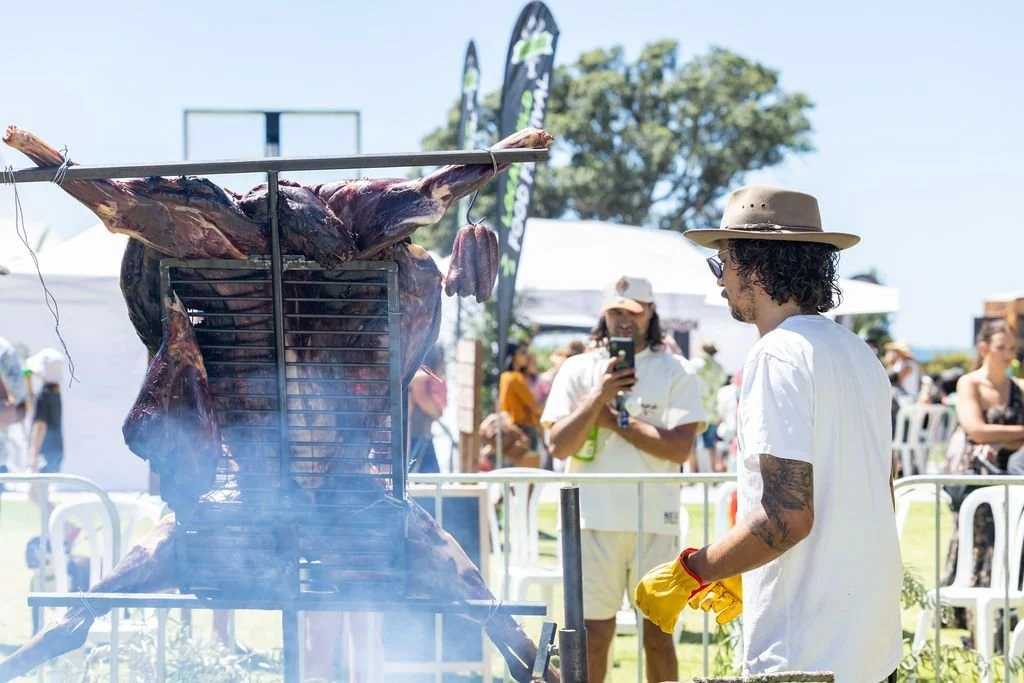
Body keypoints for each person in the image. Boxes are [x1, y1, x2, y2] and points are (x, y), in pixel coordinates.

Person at [635, 186, 902, 682]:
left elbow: (788, 518)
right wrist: (743, 562)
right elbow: (876, 494)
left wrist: (694, 570)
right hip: (870, 642)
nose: (720, 283)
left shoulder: (777, 353)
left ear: (755, 265)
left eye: (722, 265)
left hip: (806, 647)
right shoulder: (859, 352)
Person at [541, 275, 707, 683]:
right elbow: (559, 446)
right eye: (616, 311)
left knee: (658, 635)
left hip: (655, 520)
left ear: (651, 313)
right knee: (592, 636)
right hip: (589, 521)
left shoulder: (677, 371)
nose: (625, 320)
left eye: (634, 311)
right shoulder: (578, 369)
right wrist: (597, 397)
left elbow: (679, 449)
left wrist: (616, 422)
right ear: (604, 314)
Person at [940, 320, 1023, 646]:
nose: (1009, 355)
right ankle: (978, 630)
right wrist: (1017, 434)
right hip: (975, 475)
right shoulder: (969, 383)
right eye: (1002, 347)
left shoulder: (1017, 388)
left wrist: (1003, 436)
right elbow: (976, 430)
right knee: (981, 544)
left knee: (1011, 544)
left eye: (1012, 348)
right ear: (985, 348)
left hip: (1011, 477)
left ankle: (1003, 626)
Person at [499, 340, 542, 467]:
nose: (526, 356)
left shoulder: (505, 376)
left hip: (511, 429)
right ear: (513, 356)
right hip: (525, 429)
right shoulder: (515, 378)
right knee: (531, 474)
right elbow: (533, 405)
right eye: (522, 353)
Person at [407, 344, 446, 473]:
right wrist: (437, 412)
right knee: (431, 480)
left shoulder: (415, 375)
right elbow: (421, 398)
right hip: (416, 437)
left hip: (420, 436)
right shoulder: (420, 377)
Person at [695, 340, 727, 471]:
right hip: (713, 412)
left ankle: (691, 474)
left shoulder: (697, 365)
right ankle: (713, 472)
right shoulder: (719, 368)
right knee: (711, 444)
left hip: (696, 411)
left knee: (692, 444)